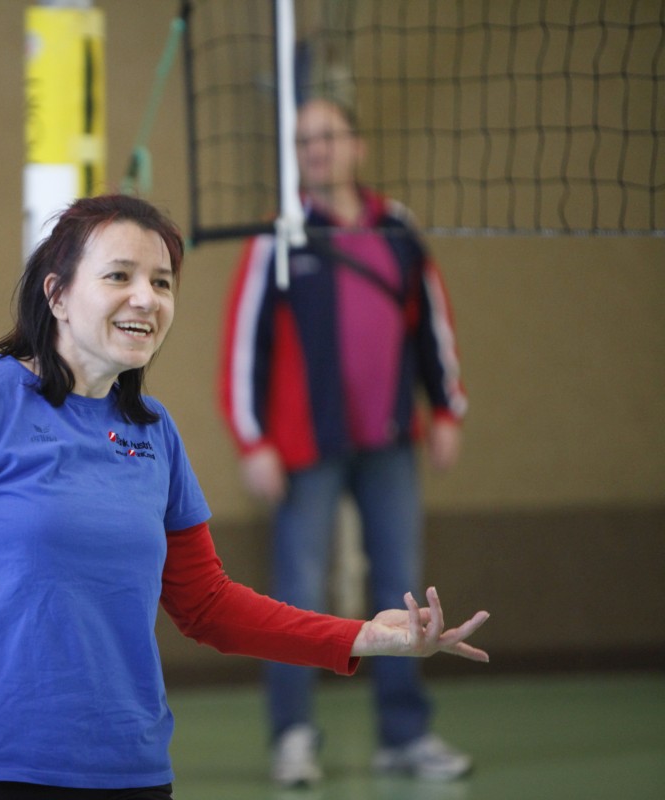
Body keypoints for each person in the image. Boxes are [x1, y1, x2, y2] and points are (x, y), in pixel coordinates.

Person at [0, 194, 488, 800]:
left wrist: (364, 636)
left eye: (162, 282)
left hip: (128, 770)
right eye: (120, 276)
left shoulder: (154, 432)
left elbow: (208, 606)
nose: (146, 298)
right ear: (58, 295)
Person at [218, 97, 471, 787]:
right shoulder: (280, 233)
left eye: (328, 136)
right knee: (298, 593)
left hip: (391, 440)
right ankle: (294, 735)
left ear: (357, 146)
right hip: (306, 448)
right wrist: (252, 441)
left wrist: (446, 409)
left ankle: (404, 735)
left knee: (404, 590)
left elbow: (431, 322)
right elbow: (245, 346)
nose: (317, 149)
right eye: (304, 140)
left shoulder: (398, 228)